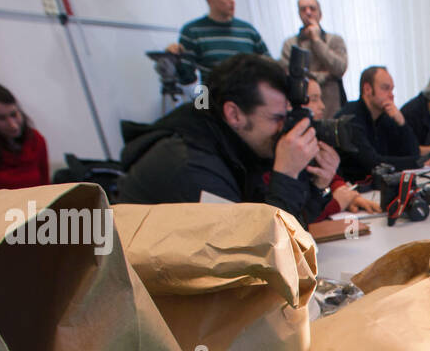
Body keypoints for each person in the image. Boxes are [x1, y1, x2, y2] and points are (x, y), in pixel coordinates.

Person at [116, 54, 336, 228]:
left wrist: (317, 187)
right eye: (276, 118)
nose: (283, 130)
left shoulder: (236, 150)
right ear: (234, 114)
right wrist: (286, 176)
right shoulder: (193, 166)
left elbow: (291, 228)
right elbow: (255, 254)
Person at [167, 0, 269, 85]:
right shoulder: (192, 32)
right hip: (214, 99)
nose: (232, 0)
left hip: (251, 98)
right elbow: (186, 79)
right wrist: (173, 59)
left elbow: (269, 68)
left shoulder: (248, 31)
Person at [303, 74, 380, 220]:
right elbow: (297, 217)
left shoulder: (313, 137)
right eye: (314, 99)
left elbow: (328, 175)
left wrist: (345, 192)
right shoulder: (289, 149)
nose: (322, 106)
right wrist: (338, 203)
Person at [336, 66, 424, 184]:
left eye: (392, 90)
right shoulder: (350, 118)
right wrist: (419, 162)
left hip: (378, 187)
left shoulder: (384, 117)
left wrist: (402, 123)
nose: (391, 95)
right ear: (367, 89)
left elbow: (413, 152)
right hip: (354, 189)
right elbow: (373, 163)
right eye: (385, 88)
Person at [280, 0, 348, 118]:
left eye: (312, 8)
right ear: (299, 14)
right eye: (303, 9)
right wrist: (325, 75)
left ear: (320, 13)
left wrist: (316, 40)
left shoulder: (335, 40)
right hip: (303, 109)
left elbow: (340, 68)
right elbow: (290, 76)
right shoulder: (290, 44)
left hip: (332, 108)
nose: (308, 12)